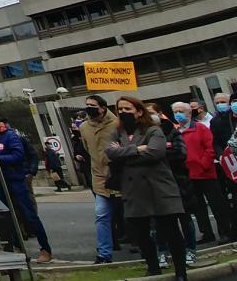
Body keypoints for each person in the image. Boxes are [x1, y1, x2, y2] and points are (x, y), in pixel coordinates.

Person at [105, 95, 188, 281]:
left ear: (139, 111)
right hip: (133, 191)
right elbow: (110, 152)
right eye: (120, 109)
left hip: (159, 188)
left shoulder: (153, 130)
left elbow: (155, 153)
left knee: (171, 232)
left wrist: (125, 154)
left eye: (128, 109)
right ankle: (153, 267)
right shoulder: (116, 133)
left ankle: (181, 272)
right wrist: (137, 149)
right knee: (141, 233)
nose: (123, 112)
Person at [0, 118, 52, 263]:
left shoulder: (13, 137)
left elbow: (22, 155)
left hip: (17, 179)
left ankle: (45, 249)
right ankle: (17, 247)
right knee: (6, 217)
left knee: (29, 214)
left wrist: (30, 172)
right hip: (0, 181)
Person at [171, 101, 229, 244]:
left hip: (206, 173)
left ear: (189, 113)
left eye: (181, 111)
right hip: (188, 175)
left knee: (216, 204)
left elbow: (209, 148)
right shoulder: (176, 132)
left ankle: (225, 231)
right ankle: (206, 233)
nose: (178, 114)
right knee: (198, 207)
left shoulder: (200, 128)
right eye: (175, 112)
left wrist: (203, 164)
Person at [149, 103, 198, 268]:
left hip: (178, 183)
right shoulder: (142, 135)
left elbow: (180, 153)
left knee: (185, 219)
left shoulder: (171, 131)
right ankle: (162, 252)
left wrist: (156, 154)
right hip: (155, 185)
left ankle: (190, 249)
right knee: (158, 223)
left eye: (151, 113)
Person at [80, 94, 121, 264]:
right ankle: (104, 254)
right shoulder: (84, 127)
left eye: (93, 105)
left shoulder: (117, 123)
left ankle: (146, 247)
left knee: (132, 216)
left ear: (102, 108)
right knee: (101, 215)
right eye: (87, 105)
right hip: (99, 177)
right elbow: (87, 149)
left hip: (120, 175)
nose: (89, 108)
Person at [208, 92, 237, 240]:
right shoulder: (217, 122)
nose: (221, 104)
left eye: (223, 101)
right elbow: (215, 142)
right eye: (217, 102)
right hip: (231, 166)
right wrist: (221, 156)